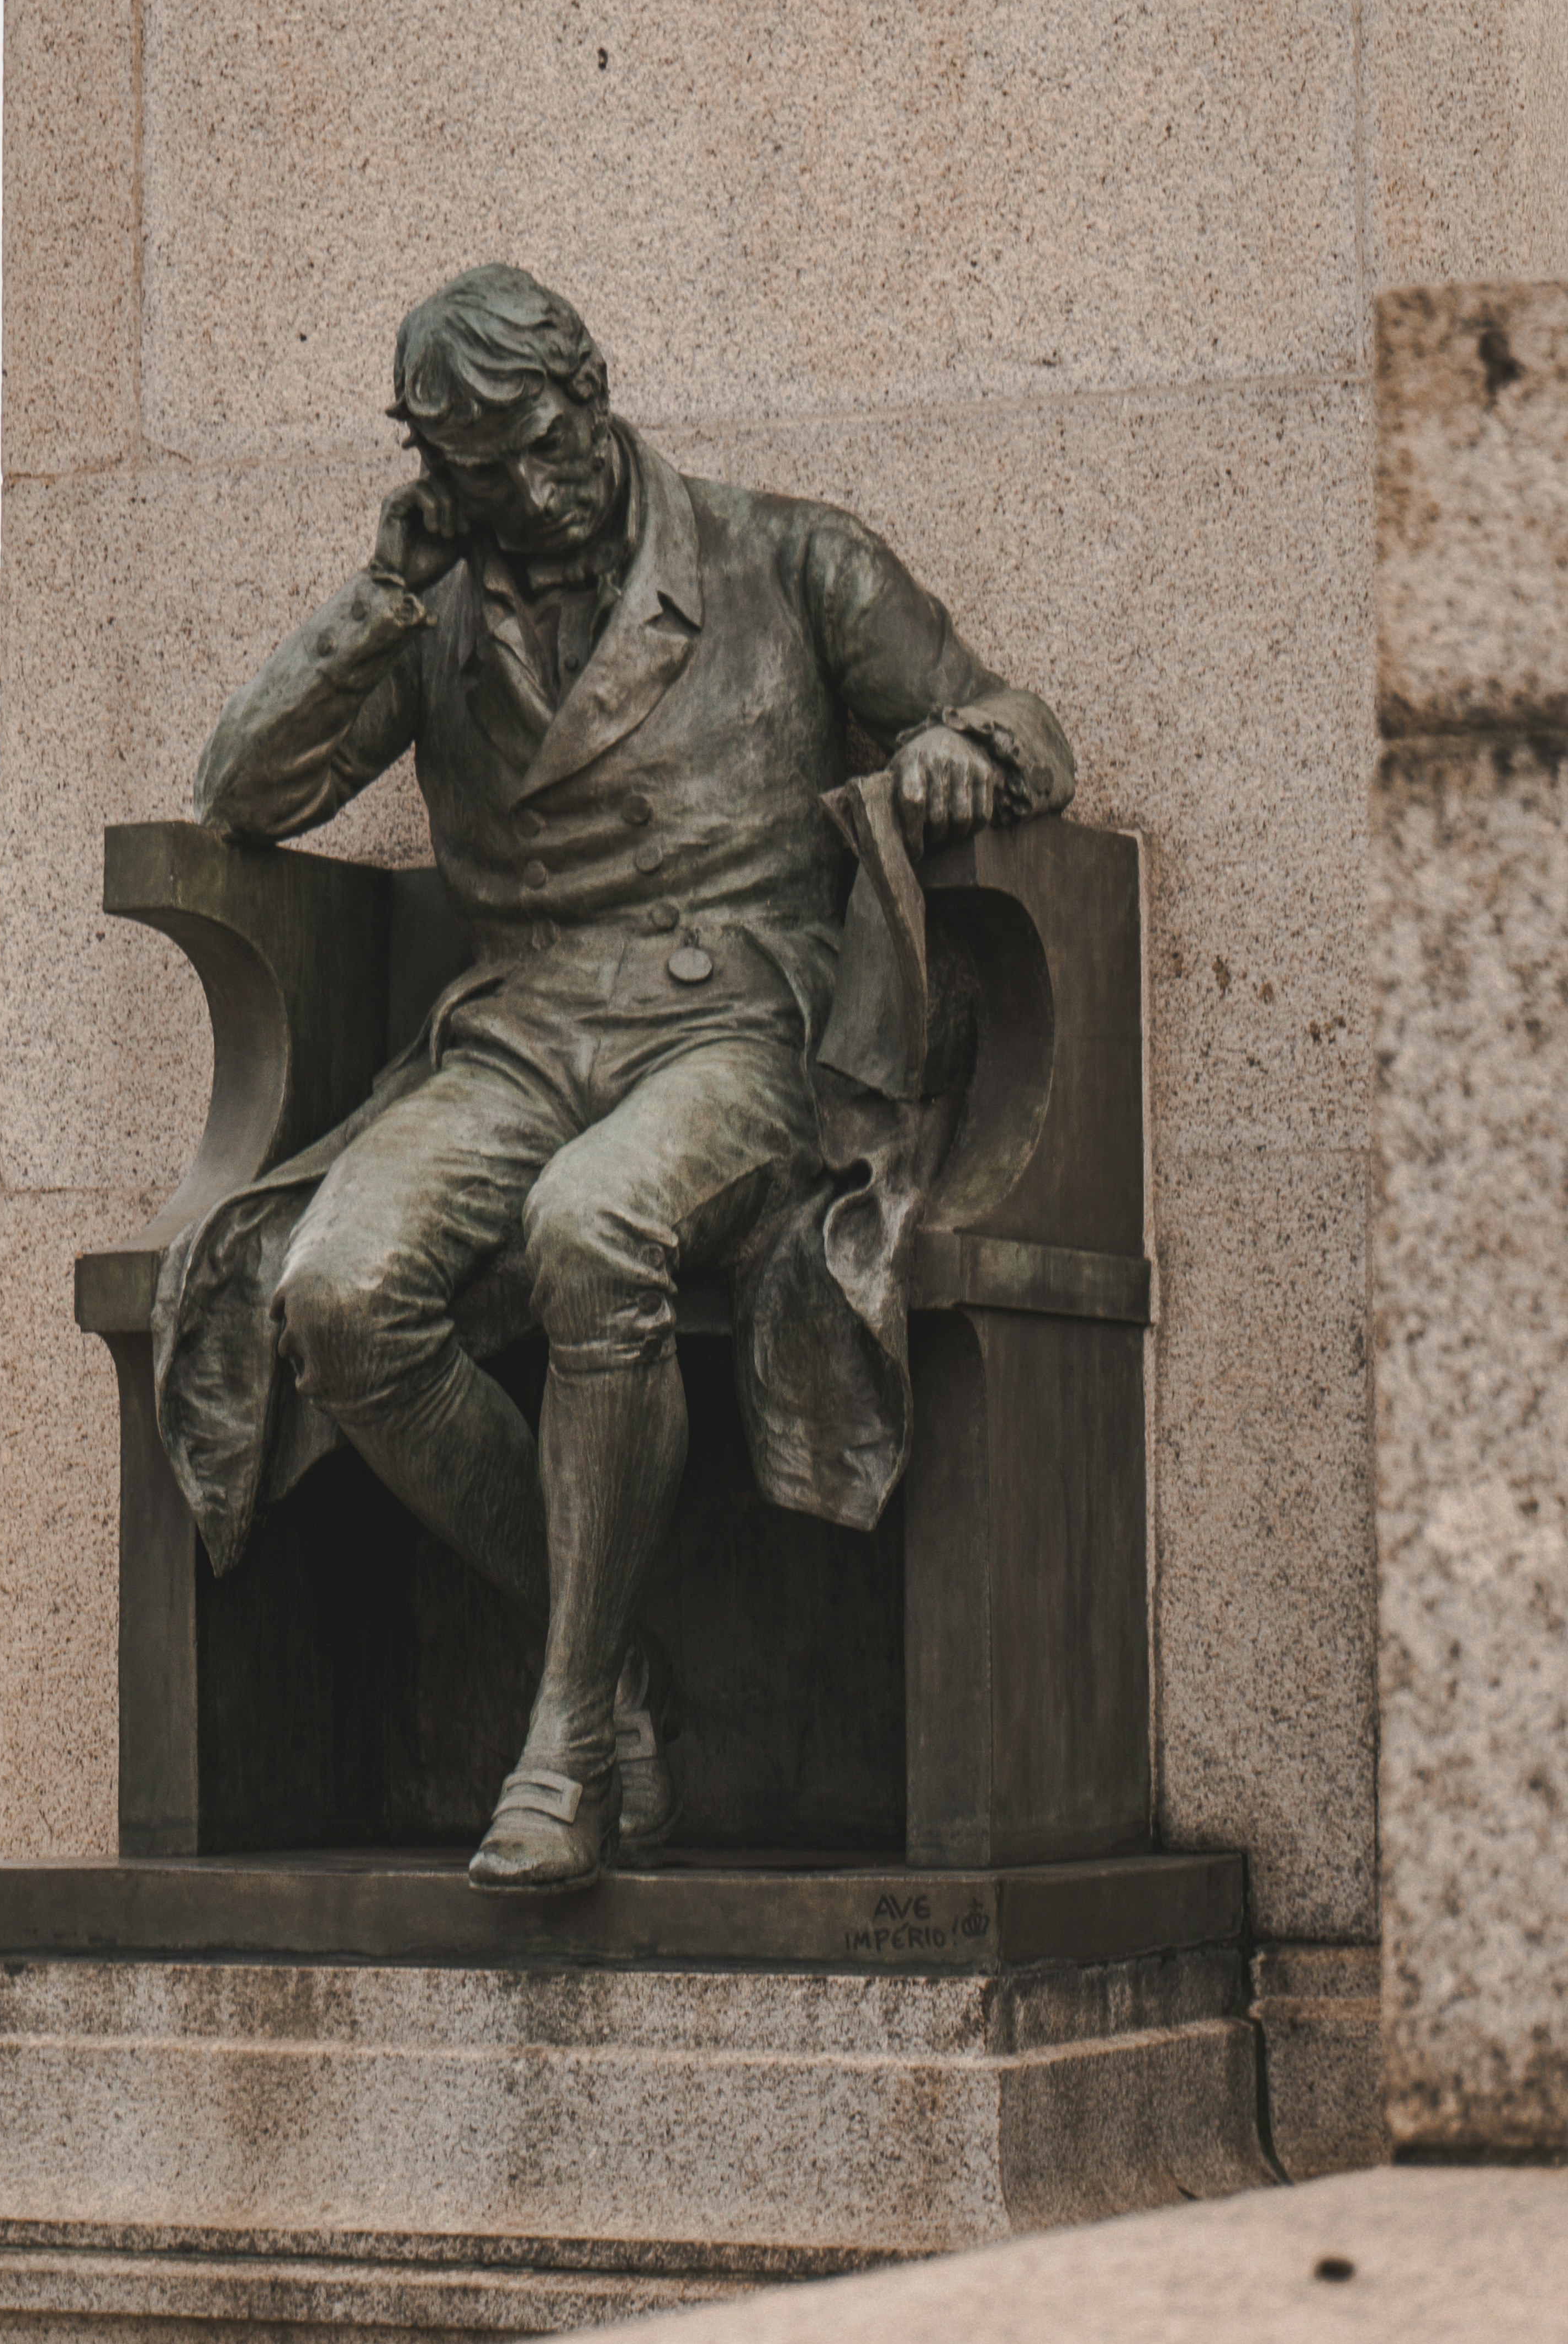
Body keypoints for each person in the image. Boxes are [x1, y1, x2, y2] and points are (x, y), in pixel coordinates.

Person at [170, 265, 1075, 1893]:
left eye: (548, 436)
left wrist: (961, 754)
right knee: (332, 1292)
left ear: (593, 392)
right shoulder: (433, 601)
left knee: (594, 1229)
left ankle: (565, 1741)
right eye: (487, 466)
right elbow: (241, 792)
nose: (534, 484)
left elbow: (1018, 719)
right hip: (516, 1034)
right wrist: (379, 598)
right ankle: (608, 1655)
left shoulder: (786, 556)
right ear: (438, 473)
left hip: (737, 1027)